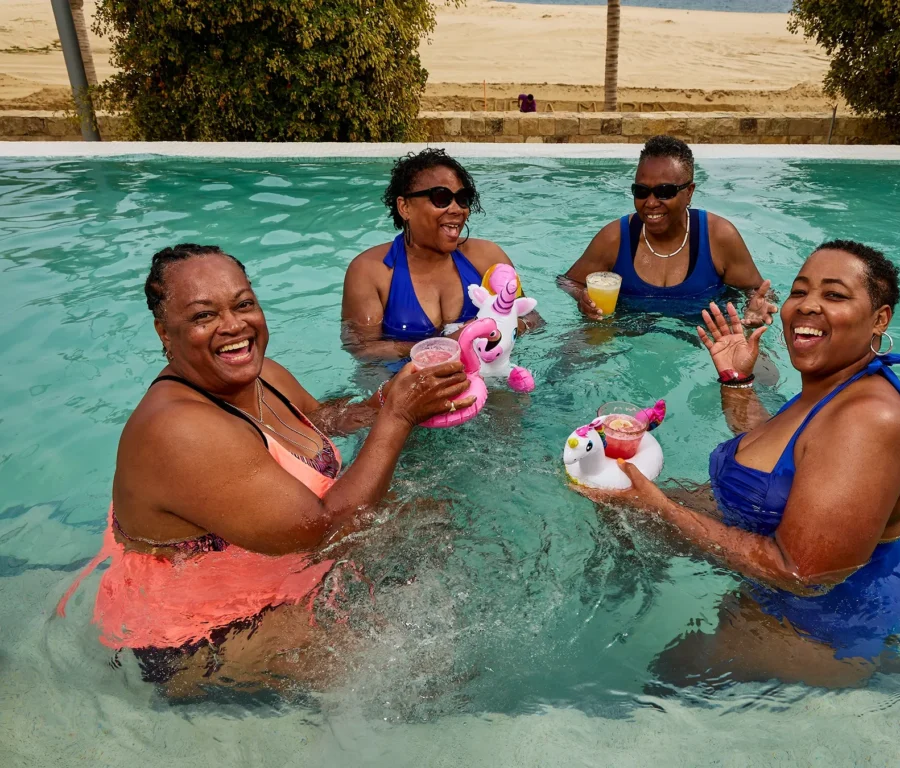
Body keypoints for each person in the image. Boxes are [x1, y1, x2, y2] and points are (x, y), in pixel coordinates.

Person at [58, 244, 475, 696]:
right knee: (417, 675)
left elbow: (323, 419)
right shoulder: (179, 430)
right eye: (204, 316)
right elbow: (323, 532)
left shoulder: (261, 375)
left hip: (278, 571)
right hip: (196, 636)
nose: (234, 326)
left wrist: (392, 396)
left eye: (244, 304)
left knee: (441, 520)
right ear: (164, 333)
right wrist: (399, 416)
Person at [583, 240, 900, 688]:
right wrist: (736, 380)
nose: (808, 306)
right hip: (783, 595)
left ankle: (891, 673)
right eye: (800, 291)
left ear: (879, 319)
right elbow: (783, 452)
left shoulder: (869, 420)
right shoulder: (830, 388)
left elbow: (801, 574)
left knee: (665, 679)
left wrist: (662, 510)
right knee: (615, 502)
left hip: (829, 628)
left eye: (834, 295)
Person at [343, 148, 541, 362]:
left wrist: (503, 328)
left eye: (463, 199)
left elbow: (533, 318)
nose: (457, 209)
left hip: (488, 378)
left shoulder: (488, 258)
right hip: (403, 382)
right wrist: (445, 346)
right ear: (405, 207)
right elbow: (362, 349)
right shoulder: (370, 271)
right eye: (441, 198)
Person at [560, 136, 777, 326]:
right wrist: (583, 298)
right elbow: (568, 281)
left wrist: (756, 308)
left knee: (763, 372)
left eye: (665, 192)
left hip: (704, 336)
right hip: (626, 331)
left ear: (689, 192)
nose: (651, 203)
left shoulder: (718, 237)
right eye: (642, 191)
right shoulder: (615, 238)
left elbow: (759, 292)